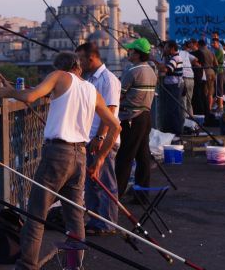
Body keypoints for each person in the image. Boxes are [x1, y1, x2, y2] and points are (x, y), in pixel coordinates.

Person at [0, 51, 121, 270]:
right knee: (75, 217)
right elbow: (115, 126)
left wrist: (7, 91)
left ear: (62, 67)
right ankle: (75, 265)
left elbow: (31, 96)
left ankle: (27, 265)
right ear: (78, 67)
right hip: (80, 156)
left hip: (57, 154)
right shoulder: (92, 90)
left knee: (36, 214)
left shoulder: (60, 77)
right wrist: (99, 159)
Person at [75, 42, 121, 236]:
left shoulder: (108, 80)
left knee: (106, 182)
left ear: (91, 58)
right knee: (92, 183)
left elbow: (109, 112)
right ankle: (95, 221)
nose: (79, 63)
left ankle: (108, 224)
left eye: (81, 59)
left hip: (103, 140)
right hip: (90, 138)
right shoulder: (91, 80)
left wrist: (100, 137)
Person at [115, 38, 157, 199]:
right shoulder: (151, 71)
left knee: (125, 156)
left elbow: (119, 95)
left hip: (132, 118)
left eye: (131, 51)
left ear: (138, 54)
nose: (128, 52)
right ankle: (142, 195)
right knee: (143, 156)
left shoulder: (132, 71)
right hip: (146, 117)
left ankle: (116, 195)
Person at [156, 40, 184, 135]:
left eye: (166, 47)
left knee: (173, 109)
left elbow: (165, 69)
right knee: (170, 109)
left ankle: (176, 131)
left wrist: (153, 60)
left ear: (172, 48)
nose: (165, 49)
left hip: (174, 86)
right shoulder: (172, 57)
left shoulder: (175, 59)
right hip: (172, 86)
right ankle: (170, 130)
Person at [198, 39, 218, 112]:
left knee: (205, 92)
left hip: (205, 73)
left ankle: (206, 109)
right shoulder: (211, 52)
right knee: (211, 92)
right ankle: (209, 108)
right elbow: (216, 64)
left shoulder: (200, 52)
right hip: (212, 72)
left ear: (199, 45)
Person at [179, 41, 198, 117]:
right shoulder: (187, 54)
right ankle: (191, 119)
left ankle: (185, 120)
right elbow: (196, 59)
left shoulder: (179, 53)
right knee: (189, 101)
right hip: (191, 78)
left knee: (183, 100)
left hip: (184, 78)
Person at [212, 38, 225, 111]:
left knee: (219, 89)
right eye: (212, 43)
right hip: (218, 71)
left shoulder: (219, 51)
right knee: (218, 89)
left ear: (218, 43)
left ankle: (220, 106)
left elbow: (214, 61)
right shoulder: (216, 51)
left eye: (214, 43)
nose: (212, 44)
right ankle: (219, 105)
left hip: (219, 72)